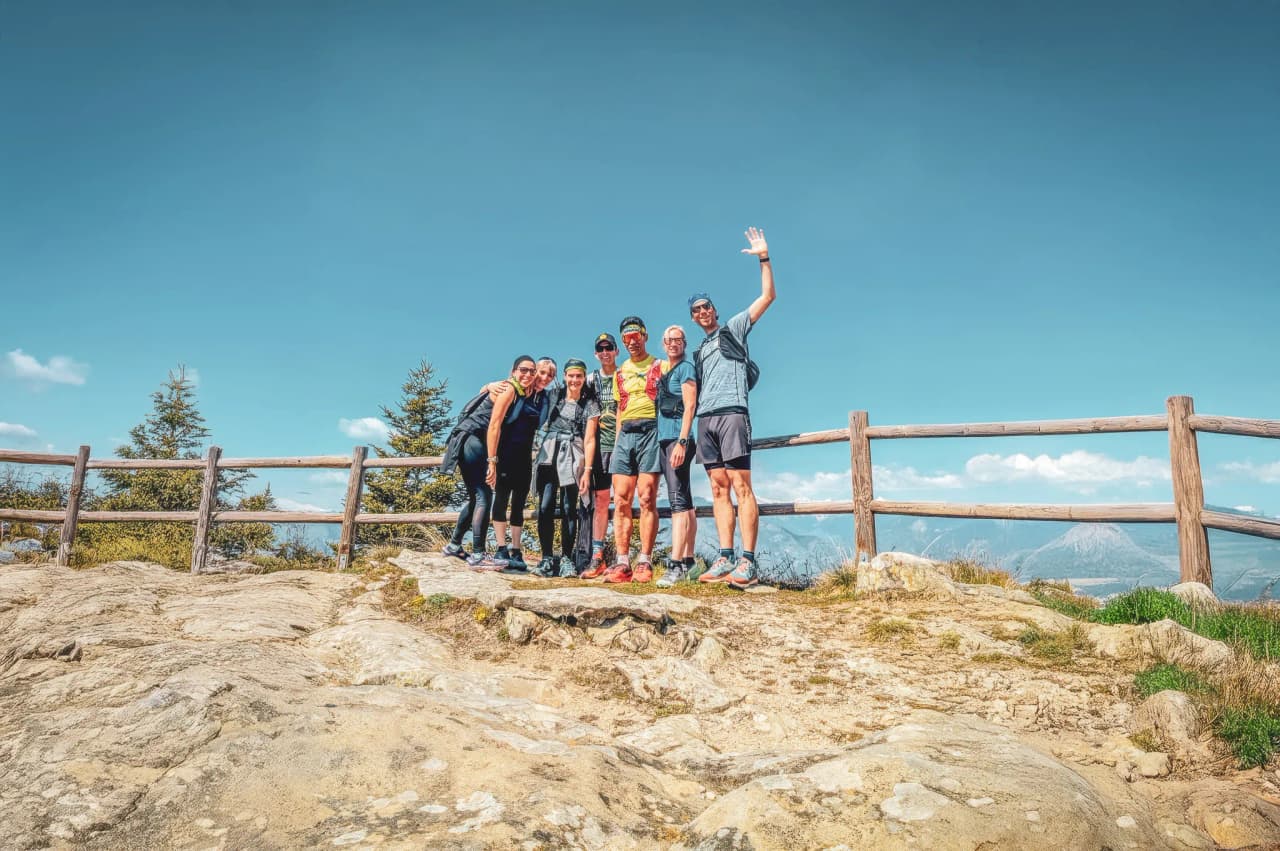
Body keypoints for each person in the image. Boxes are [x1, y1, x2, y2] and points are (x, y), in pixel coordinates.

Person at [693, 226, 776, 589]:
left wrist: (763, 257)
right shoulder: (697, 352)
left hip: (732, 413)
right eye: (696, 310)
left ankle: (748, 561)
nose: (703, 313)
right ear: (694, 318)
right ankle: (725, 558)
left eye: (706, 306)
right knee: (717, 489)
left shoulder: (734, 328)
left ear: (715, 309)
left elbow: (768, 296)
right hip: (705, 419)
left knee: (742, 486)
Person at [439, 355, 538, 569]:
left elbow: (485, 394)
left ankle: (455, 546)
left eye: (532, 371)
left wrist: (487, 385)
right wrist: (492, 461)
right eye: (523, 369)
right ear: (513, 371)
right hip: (473, 440)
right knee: (484, 496)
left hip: (465, 439)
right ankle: (478, 555)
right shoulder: (510, 389)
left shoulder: (515, 390)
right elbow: (494, 425)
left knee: (476, 497)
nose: (528, 374)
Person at [600, 316, 661, 584]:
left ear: (645, 336)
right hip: (625, 436)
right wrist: (616, 448)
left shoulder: (660, 365)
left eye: (636, 336)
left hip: (651, 430)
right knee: (622, 498)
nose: (632, 341)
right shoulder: (620, 372)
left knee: (647, 497)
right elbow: (620, 409)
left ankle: (645, 561)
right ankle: (623, 562)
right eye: (627, 338)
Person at [531, 358, 600, 577]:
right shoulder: (554, 395)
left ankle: (567, 560)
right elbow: (532, 386)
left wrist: (587, 471)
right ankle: (547, 558)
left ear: (583, 377)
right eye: (571, 375)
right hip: (549, 454)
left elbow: (590, 439)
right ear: (565, 376)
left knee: (571, 509)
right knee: (545, 506)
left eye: (579, 376)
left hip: (573, 455)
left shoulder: (590, 404)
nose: (574, 380)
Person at [490, 357, 557, 571]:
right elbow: (490, 396)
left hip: (524, 456)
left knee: (519, 502)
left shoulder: (544, 399)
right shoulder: (515, 389)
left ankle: (516, 550)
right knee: (501, 498)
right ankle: (501, 547)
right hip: (505, 452)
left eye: (550, 375)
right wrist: (488, 385)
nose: (544, 378)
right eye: (542, 372)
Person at [654, 325, 699, 588]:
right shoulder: (666, 370)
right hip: (665, 439)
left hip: (676, 440)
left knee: (677, 502)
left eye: (678, 340)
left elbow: (690, 405)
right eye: (669, 340)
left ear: (684, 343)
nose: (673, 344)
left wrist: (682, 442)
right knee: (686, 500)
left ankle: (675, 565)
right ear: (664, 343)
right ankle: (690, 562)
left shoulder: (685, 369)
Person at [580, 333, 619, 579]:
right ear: (596, 353)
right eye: (600, 348)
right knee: (601, 502)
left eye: (609, 348)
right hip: (598, 448)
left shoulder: (624, 375)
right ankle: (598, 556)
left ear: (616, 351)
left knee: (626, 501)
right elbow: (567, 391)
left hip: (623, 445)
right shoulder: (591, 380)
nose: (605, 352)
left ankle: (625, 559)